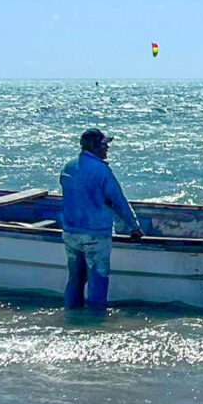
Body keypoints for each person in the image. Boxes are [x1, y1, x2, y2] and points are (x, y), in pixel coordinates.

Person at [61, 128, 144, 311]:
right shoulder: (102, 171)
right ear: (94, 146)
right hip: (96, 235)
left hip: (70, 233)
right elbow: (118, 200)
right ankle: (95, 320)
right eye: (104, 145)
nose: (107, 148)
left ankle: (71, 314)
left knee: (75, 278)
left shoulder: (68, 167)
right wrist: (134, 226)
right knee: (98, 278)